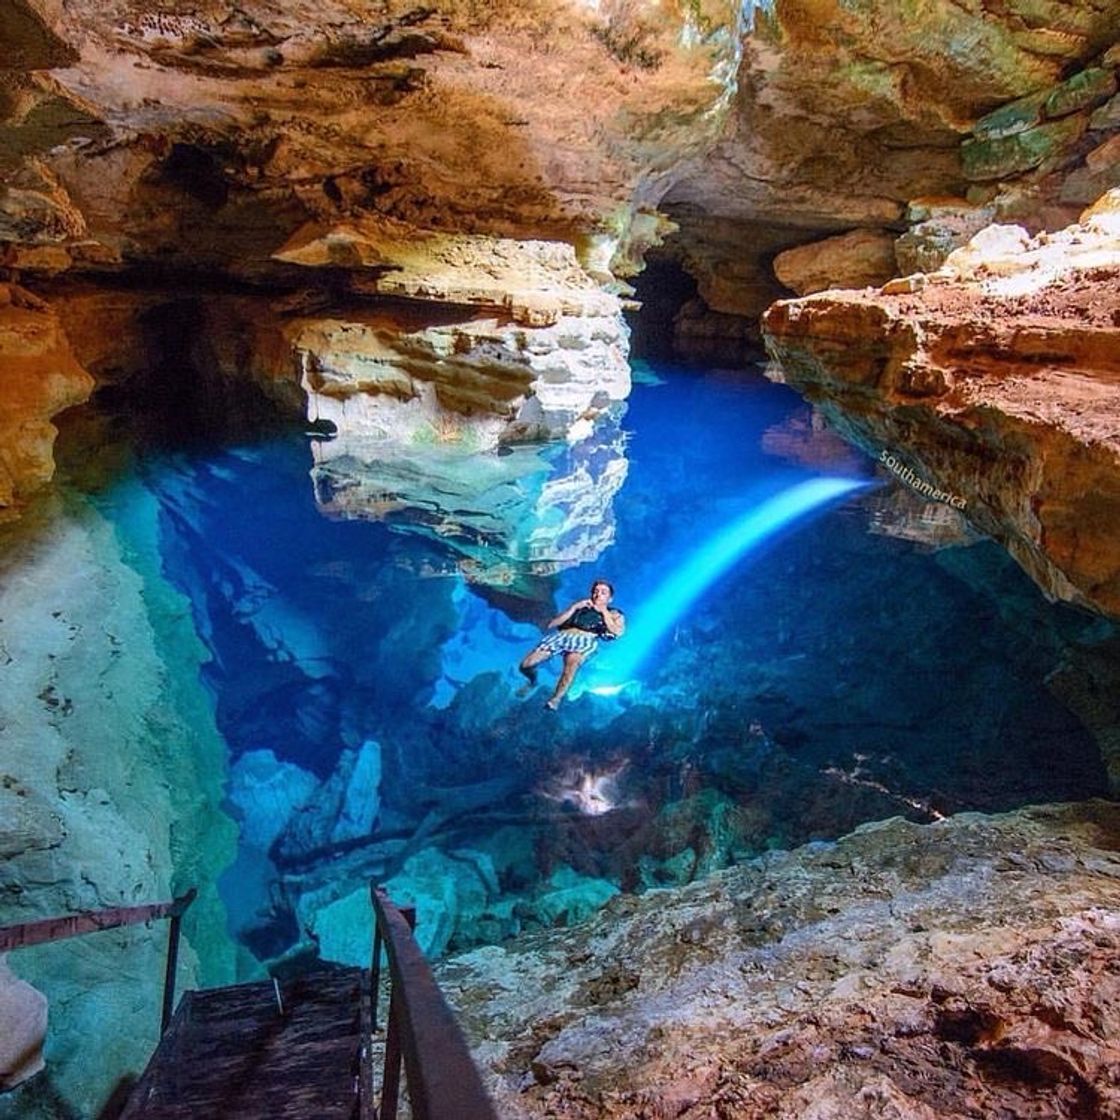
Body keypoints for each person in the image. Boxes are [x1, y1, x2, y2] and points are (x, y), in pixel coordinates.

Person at [519, 579, 625, 710]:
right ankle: (532, 681)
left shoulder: (614, 613)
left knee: (571, 663)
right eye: (596, 591)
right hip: (563, 635)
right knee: (526, 664)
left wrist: (604, 612)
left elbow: (617, 632)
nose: (598, 595)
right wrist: (573, 608)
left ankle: (556, 699)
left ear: (610, 598)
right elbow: (552, 624)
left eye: (603, 592)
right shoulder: (580, 607)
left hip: (585, 639)